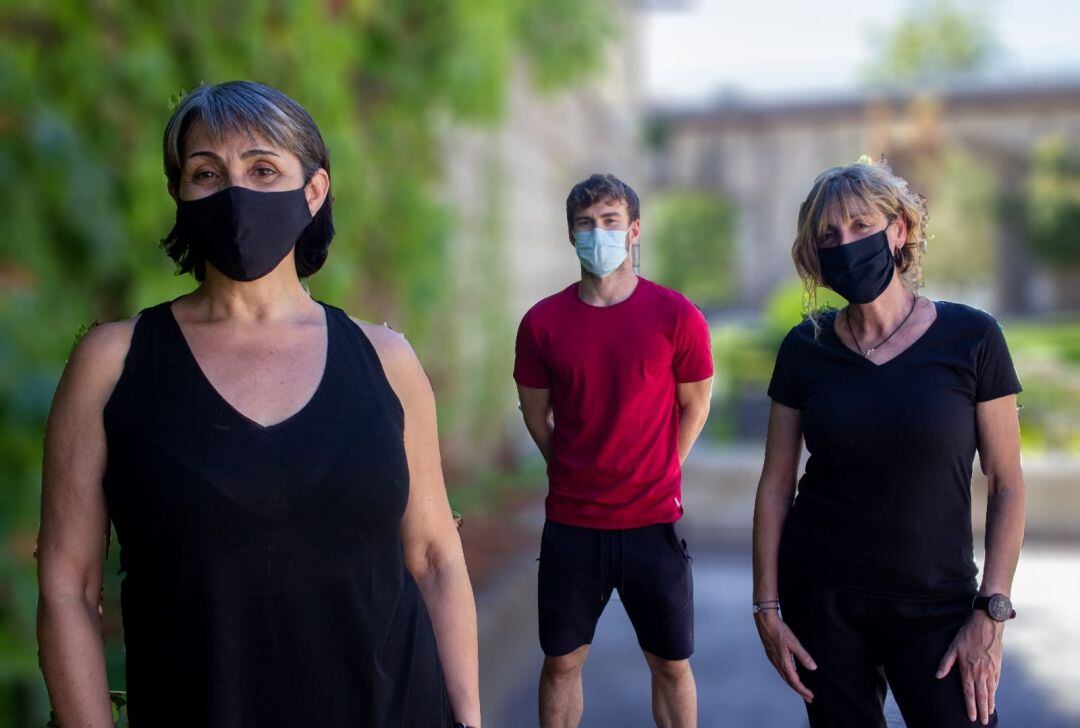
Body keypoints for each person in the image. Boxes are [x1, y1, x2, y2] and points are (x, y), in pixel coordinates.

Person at [36, 80, 481, 728]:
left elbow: (437, 558)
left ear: (315, 191)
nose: (234, 193)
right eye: (205, 173)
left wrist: (468, 719)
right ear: (179, 195)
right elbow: (67, 588)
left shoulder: (387, 362)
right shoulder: (113, 365)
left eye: (263, 168)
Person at [752, 158, 1025, 727]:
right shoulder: (805, 348)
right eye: (829, 235)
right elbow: (776, 486)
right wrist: (768, 608)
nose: (845, 243)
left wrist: (991, 612)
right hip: (823, 599)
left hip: (939, 607)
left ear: (898, 230)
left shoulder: (972, 337)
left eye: (860, 225)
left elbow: (1006, 485)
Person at [514, 173, 714, 728]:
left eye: (609, 222)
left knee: (671, 664)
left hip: (653, 524)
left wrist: (664, 467)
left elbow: (696, 404)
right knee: (561, 662)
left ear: (634, 231)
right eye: (585, 225)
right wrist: (570, 467)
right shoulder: (541, 324)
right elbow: (536, 413)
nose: (597, 234)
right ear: (570, 236)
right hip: (573, 525)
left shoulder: (676, 316)